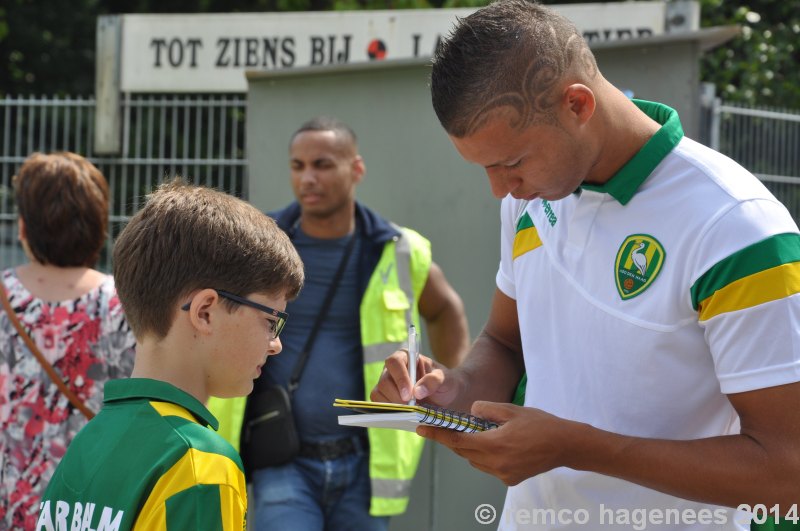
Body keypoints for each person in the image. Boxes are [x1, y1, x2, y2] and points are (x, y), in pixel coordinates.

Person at [372, 1, 800, 530]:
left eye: (511, 163)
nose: (500, 191)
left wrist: (577, 448)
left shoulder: (736, 225)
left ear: (577, 104)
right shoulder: (530, 201)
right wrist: (448, 390)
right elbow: (507, 344)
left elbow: (787, 474)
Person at [211, 116, 470, 530]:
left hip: (366, 464)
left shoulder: (398, 249)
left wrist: (454, 386)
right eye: (298, 166)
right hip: (283, 459)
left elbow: (445, 310)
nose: (308, 178)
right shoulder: (258, 244)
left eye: (323, 164)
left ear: (357, 169)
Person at [35, 181, 304, 529]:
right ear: (205, 311)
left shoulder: (90, 439)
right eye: (271, 321)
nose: (275, 343)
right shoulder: (200, 464)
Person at [0, 152, 136, 529]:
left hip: (11, 503)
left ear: (24, 228)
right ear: (100, 226)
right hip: (92, 506)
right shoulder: (123, 305)